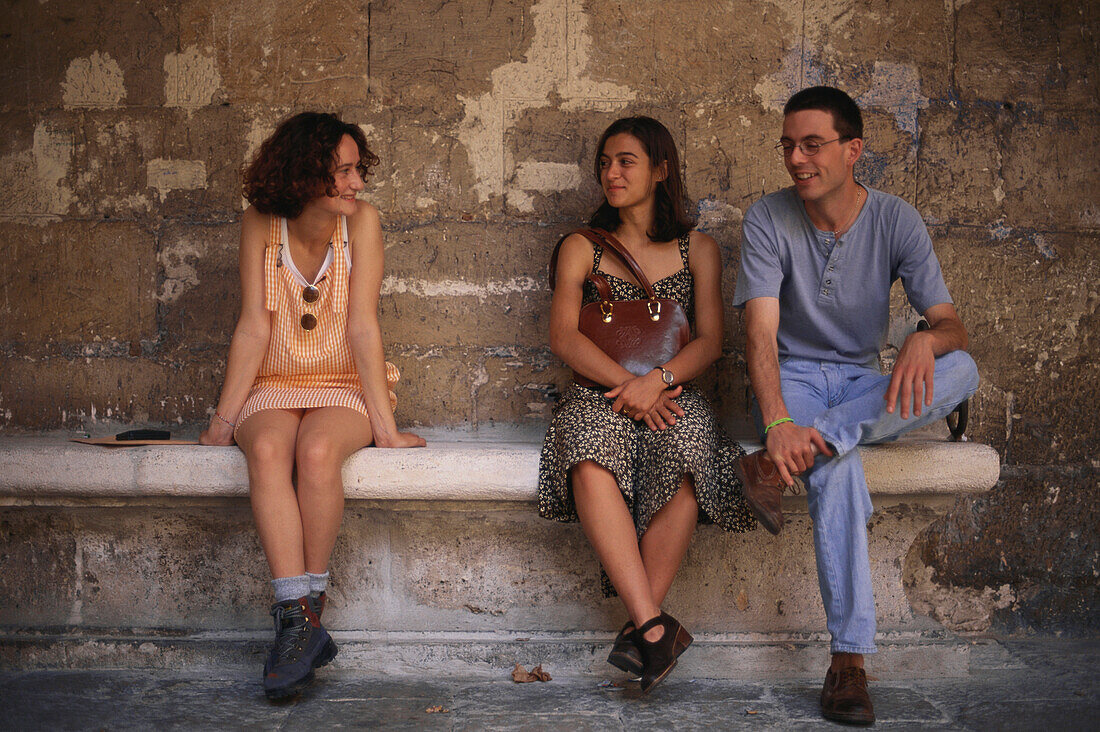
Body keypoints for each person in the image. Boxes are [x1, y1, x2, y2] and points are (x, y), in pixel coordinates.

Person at [733, 86, 979, 725]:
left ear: (853, 149)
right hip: (797, 383)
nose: (796, 158)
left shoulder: (897, 220)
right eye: (788, 145)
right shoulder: (767, 218)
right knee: (836, 467)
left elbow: (953, 328)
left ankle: (792, 454)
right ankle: (850, 664)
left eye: (812, 144)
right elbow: (760, 334)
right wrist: (781, 420)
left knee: (965, 370)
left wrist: (926, 338)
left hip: (866, 385)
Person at [199, 112, 425, 700]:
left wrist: (387, 428)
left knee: (318, 450)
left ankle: (305, 614)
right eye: (342, 172)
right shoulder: (260, 223)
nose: (356, 183)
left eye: (356, 169)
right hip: (274, 380)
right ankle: (299, 620)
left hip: (342, 381)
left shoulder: (363, 224)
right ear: (305, 176)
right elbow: (253, 326)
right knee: (270, 447)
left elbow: (362, 328)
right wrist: (223, 423)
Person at [539, 116, 755, 695]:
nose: (612, 172)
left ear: (661, 170)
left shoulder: (698, 249)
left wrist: (656, 381)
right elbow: (564, 336)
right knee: (587, 452)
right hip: (598, 393)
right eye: (605, 162)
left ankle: (644, 628)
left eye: (626, 161)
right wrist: (628, 387)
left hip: (672, 391)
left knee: (689, 449)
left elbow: (712, 339)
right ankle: (655, 627)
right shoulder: (581, 246)